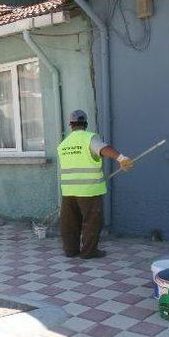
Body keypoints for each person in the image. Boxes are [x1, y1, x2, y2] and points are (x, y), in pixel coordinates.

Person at [57, 110, 133, 259]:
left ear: (70, 125)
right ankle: (88, 252)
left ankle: (70, 250)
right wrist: (122, 158)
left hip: (68, 191)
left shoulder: (63, 144)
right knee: (91, 222)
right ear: (85, 124)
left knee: (69, 223)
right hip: (89, 190)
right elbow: (104, 149)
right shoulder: (89, 138)